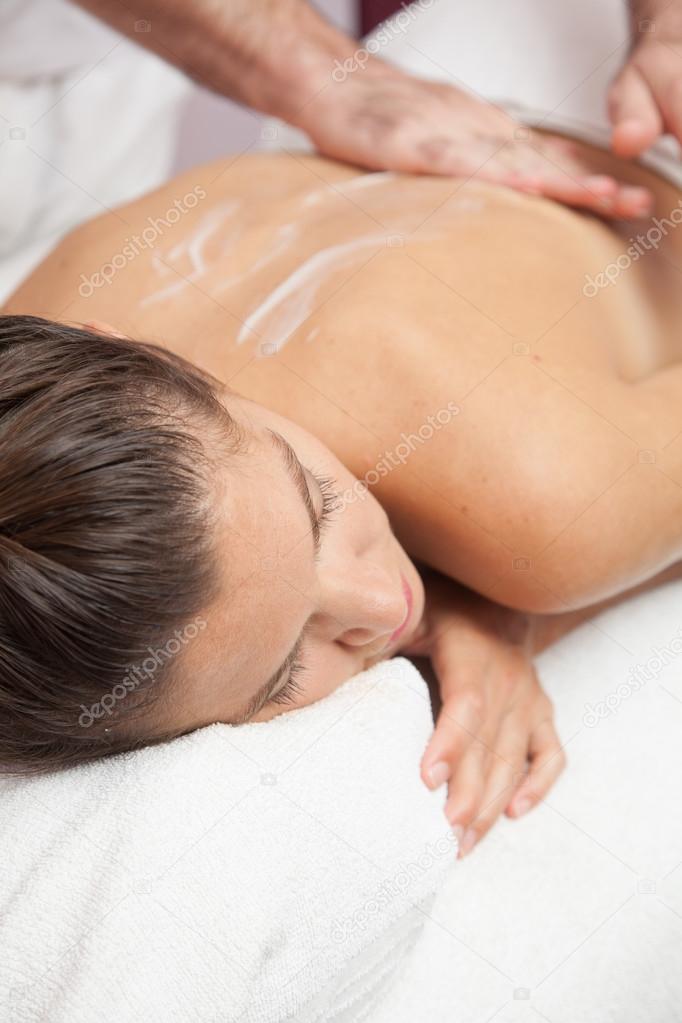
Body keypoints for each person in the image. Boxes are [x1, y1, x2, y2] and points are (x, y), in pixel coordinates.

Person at [4, 111, 682, 854]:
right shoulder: (37, 352)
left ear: (148, 357)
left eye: (320, 506)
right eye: (286, 668)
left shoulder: (549, 498)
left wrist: (514, 603)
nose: (388, 606)